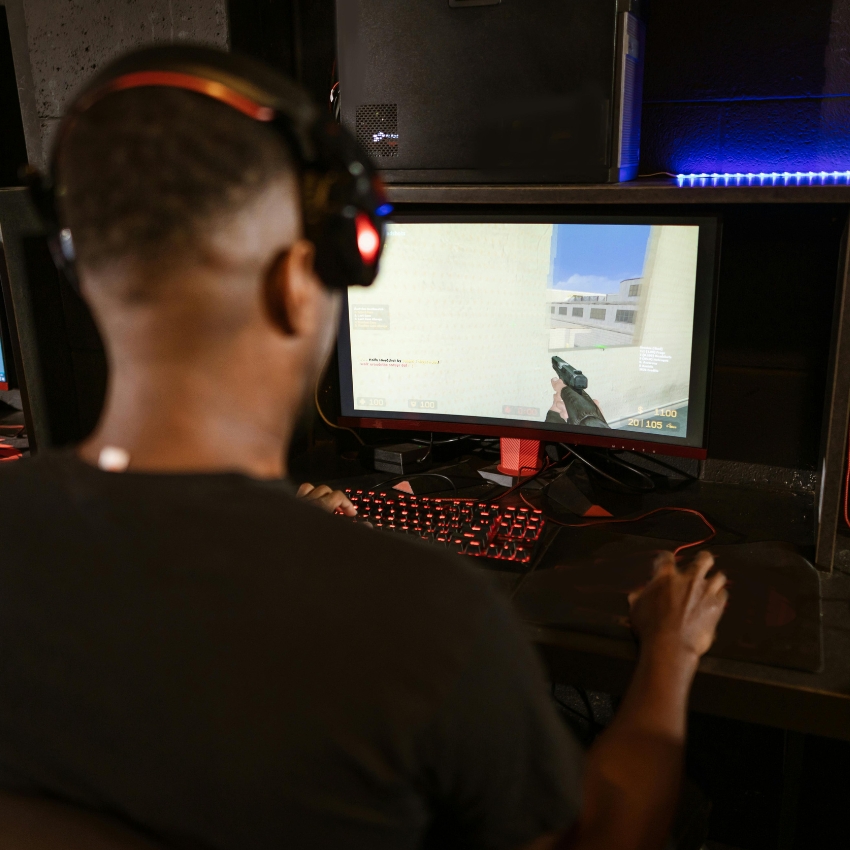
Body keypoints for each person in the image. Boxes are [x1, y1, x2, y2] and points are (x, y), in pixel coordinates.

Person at [0, 46, 727, 850]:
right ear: (296, 281)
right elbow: (608, 836)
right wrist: (671, 648)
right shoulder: (422, 617)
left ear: (80, 266)